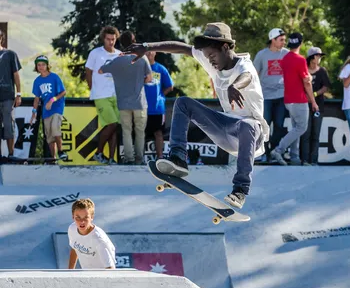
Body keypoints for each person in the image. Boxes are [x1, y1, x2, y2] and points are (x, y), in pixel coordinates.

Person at [126, 22, 269, 209]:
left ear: (225, 47)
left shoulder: (244, 66)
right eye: (207, 57)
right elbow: (181, 48)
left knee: (247, 125)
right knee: (183, 103)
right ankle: (178, 158)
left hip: (252, 138)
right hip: (227, 131)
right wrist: (147, 47)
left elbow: (247, 77)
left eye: (212, 56)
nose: (210, 61)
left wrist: (236, 86)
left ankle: (240, 190)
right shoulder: (213, 61)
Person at [99, 31, 152, 165]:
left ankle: (129, 158)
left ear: (120, 43)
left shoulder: (118, 60)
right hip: (139, 102)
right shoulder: (142, 58)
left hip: (123, 102)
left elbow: (101, 70)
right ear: (134, 42)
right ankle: (139, 159)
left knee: (126, 132)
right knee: (140, 132)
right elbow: (149, 78)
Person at [271, 32, 319, 166]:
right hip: (299, 100)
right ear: (301, 44)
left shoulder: (285, 59)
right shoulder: (301, 60)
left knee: (295, 128)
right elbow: (306, 82)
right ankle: (278, 150)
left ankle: (294, 158)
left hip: (288, 100)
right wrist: (313, 101)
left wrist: (307, 76)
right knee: (301, 128)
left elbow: (296, 76)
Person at [85, 26, 121, 164]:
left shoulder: (119, 54)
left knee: (114, 126)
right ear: (103, 39)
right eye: (108, 39)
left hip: (116, 94)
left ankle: (112, 158)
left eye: (113, 39)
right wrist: (92, 88)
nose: (111, 42)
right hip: (101, 94)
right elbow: (88, 71)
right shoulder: (95, 53)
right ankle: (98, 152)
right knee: (111, 124)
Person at [253, 28, 288, 162]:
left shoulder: (286, 54)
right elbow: (254, 74)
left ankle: (272, 152)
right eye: (281, 40)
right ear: (273, 40)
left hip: (282, 96)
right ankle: (263, 153)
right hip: (265, 96)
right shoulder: (262, 55)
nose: (284, 42)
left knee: (279, 126)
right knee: (264, 126)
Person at [29, 55, 67, 161]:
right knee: (49, 137)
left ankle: (61, 151)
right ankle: (53, 158)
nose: (41, 67)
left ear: (47, 65)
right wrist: (34, 112)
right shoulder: (37, 81)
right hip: (46, 111)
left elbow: (63, 92)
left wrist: (53, 99)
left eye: (43, 64)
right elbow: (37, 98)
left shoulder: (54, 77)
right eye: (39, 65)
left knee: (55, 129)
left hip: (57, 108)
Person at [300, 47, 331, 165]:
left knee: (315, 134)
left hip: (319, 106)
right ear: (312, 57)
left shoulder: (322, 71)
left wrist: (314, 94)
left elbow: (326, 86)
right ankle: (304, 160)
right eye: (318, 56)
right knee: (305, 133)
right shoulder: (303, 70)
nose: (319, 58)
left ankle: (314, 160)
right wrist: (305, 96)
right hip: (304, 106)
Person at [68, 198, 116, 269]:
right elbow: (74, 248)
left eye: (86, 218)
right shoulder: (72, 229)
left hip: (102, 276)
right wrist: (70, 273)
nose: (82, 221)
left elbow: (110, 268)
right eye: (78, 217)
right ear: (73, 217)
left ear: (92, 217)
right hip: (87, 275)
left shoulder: (98, 239)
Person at [144, 51, 174, 160]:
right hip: (142, 107)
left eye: (151, 51)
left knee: (158, 133)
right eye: (146, 52)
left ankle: (160, 157)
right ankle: (140, 158)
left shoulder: (160, 68)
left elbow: (170, 86)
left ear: (155, 53)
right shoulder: (140, 67)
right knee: (141, 133)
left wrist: (161, 95)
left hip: (157, 108)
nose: (149, 54)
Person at [0, 28, 22, 158]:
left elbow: (16, 75)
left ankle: (11, 154)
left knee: (9, 125)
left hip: (8, 95)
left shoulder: (10, 54)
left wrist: (18, 94)